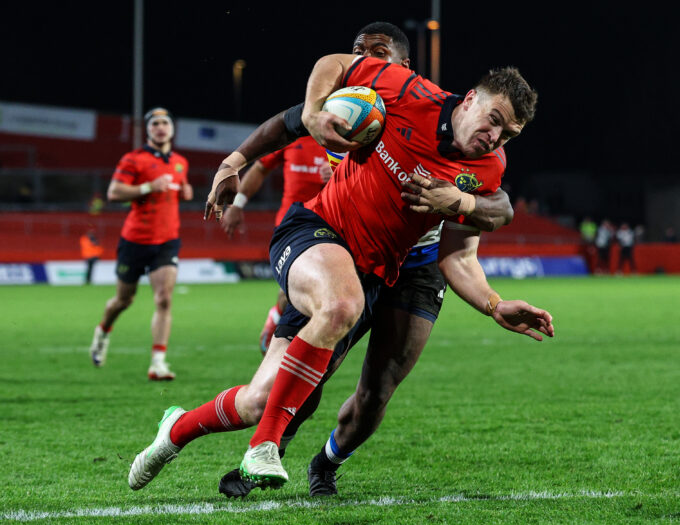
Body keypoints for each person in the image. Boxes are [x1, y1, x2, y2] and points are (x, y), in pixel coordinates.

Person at [129, 45, 550, 496]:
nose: (494, 136)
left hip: (376, 274)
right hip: (316, 231)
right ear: (470, 100)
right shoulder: (404, 95)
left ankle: (175, 430)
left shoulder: (486, 169)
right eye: (493, 119)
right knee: (342, 305)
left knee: (258, 399)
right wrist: (288, 128)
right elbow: (331, 65)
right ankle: (265, 446)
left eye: (507, 134)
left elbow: (460, 255)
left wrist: (494, 304)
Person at [213, 23, 516, 498]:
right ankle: (268, 449)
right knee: (316, 366)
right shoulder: (346, 107)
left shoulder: (423, 109)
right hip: (350, 247)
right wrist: (235, 163)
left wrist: (460, 204)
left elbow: (499, 208)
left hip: (417, 265)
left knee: (377, 393)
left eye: (376, 53)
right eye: (358, 52)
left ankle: (327, 462)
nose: (364, 60)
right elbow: (285, 124)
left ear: (400, 67)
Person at [88, 107, 193, 379]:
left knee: (164, 299)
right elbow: (114, 192)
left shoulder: (180, 162)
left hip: (167, 241)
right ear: (147, 130)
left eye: (165, 123)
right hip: (135, 240)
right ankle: (103, 331)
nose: (160, 127)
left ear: (172, 129)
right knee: (123, 300)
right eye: (155, 123)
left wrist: (185, 192)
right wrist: (148, 187)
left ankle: (158, 363)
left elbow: (178, 189)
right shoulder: (133, 159)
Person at [234, 137, 332, 352]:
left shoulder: (348, 139)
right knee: (293, 289)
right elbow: (260, 168)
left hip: (331, 224)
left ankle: (289, 332)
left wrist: (340, 172)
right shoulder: (290, 134)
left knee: (323, 293)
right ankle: (280, 323)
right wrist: (238, 204)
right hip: (292, 225)